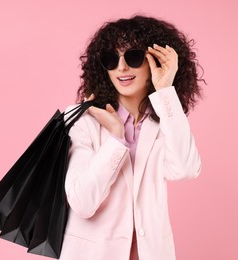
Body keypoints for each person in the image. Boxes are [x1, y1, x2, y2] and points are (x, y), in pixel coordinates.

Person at [61, 15, 204, 260]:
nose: (122, 68)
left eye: (133, 57)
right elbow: (83, 202)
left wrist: (166, 92)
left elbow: (185, 170)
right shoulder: (83, 119)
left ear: (155, 61)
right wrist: (116, 138)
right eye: (111, 59)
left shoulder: (165, 119)